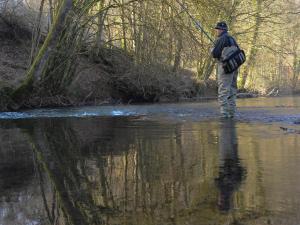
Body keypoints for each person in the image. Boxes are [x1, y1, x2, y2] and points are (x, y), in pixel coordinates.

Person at [211, 22, 239, 118]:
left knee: (223, 90)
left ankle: (224, 114)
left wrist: (212, 49)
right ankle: (232, 113)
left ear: (221, 30)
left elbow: (215, 54)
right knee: (232, 90)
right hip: (235, 67)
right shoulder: (232, 39)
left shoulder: (221, 39)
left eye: (218, 29)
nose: (217, 31)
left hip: (225, 68)